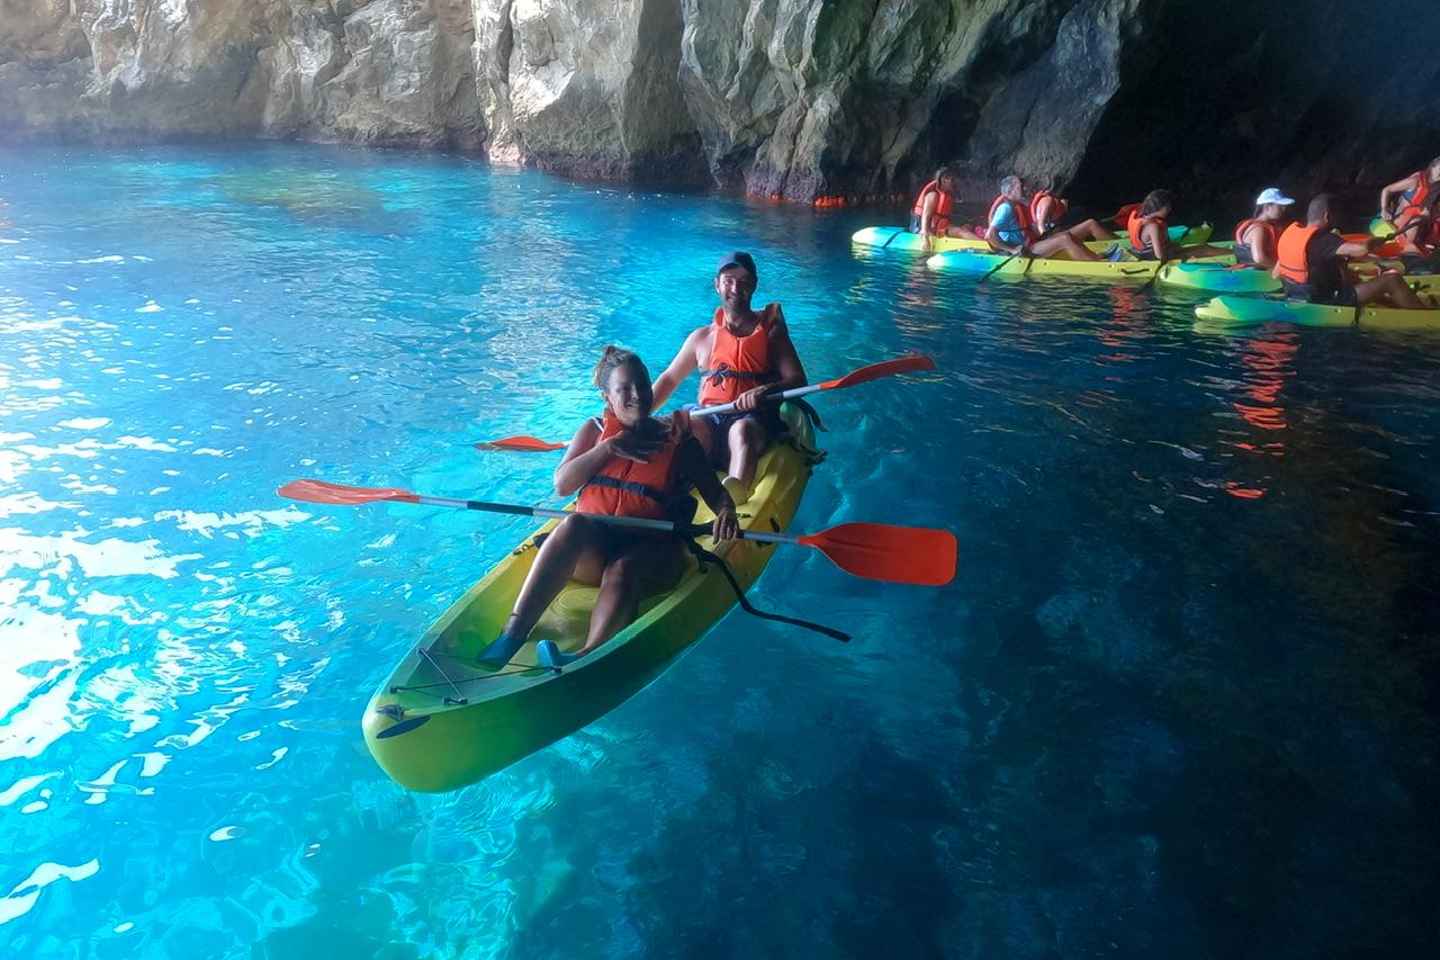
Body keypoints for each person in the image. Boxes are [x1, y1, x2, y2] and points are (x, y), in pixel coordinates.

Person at [477, 347, 740, 669]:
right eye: (624, 389)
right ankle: (513, 634)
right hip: (595, 556)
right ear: (607, 396)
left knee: (623, 567)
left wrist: (727, 512)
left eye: (642, 385)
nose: (637, 396)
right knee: (572, 525)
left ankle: (589, 654)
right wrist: (608, 449)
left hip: (652, 558)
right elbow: (562, 485)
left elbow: (717, 497)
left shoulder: (678, 440)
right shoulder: (594, 432)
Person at [651, 252, 806, 506]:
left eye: (744, 281)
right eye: (729, 280)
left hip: (753, 418)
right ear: (717, 284)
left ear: (754, 285)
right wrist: (640, 416)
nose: (736, 288)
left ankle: (733, 503)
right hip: (711, 416)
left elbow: (798, 381)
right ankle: (662, 496)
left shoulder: (771, 331)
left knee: (740, 431)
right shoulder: (701, 338)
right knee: (683, 427)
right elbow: (669, 379)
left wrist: (765, 390)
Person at [1273, 194, 1425, 309]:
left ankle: (1391, 301)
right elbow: (1361, 250)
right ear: (1327, 216)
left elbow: (1276, 273)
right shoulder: (1323, 239)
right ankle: (1423, 317)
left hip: (1296, 294)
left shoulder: (1292, 234)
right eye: (1337, 215)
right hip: (1326, 299)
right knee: (1392, 279)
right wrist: (1373, 241)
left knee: (1355, 275)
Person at [986, 176, 1119, 261]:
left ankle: (1098, 255)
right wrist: (1012, 250)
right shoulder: (1005, 209)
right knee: (1064, 239)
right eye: (1020, 186)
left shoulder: (1020, 205)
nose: (1025, 187)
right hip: (1024, 250)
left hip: (1032, 244)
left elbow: (1030, 229)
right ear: (1010, 192)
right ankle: (1097, 263)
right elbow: (989, 236)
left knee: (1066, 234)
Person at [1127, 189, 1231, 261]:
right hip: (1155, 259)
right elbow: (1159, 256)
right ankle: (1234, 255)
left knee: (1204, 246)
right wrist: (1183, 256)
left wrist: (1174, 247)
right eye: (1168, 206)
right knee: (1205, 251)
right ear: (1162, 207)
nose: (1170, 209)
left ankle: (1233, 252)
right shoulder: (1153, 226)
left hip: (1148, 254)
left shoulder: (1141, 217)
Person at [909, 167, 983, 247]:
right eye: (952, 180)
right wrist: (925, 238)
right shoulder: (933, 195)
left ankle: (978, 242)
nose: (954, 183)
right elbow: (925, 216)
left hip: (941, 226)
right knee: (959, 231)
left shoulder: (947, 195)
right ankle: (986, 246)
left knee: (967, 227)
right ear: (944, 180)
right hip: (931, 229)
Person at [1233, 187, 1295, 268]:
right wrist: (1283, 269)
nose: (1284, 209)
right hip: (1259, 273)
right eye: (1280, 206)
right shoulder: (1259, 229)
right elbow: (1259, 258)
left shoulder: (1263, 226)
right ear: (1267, 206)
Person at [1029, 184, 1115, 242]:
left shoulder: (1045, 202)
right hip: (1064, 223)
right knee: (1085, 217)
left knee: (1082, 212)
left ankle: (1104, 227)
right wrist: (1048, 239)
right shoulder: (1045, 202)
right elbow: (1041, 225)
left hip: (1066, 218)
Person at [1379, 156, 1440, 237]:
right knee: (1416, 221)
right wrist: (1384, 209)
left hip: (1423, 225)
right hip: (1400, 223)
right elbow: (1387, 190)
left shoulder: (1437, 187)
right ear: (1433, 166)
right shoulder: (1415, 181)